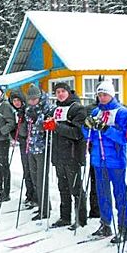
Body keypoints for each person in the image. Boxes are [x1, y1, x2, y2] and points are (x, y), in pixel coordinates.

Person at [84, 80, 127, 243]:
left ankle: (123, 227)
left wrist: (106, 129)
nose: (102, 98)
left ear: (112, 95)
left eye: (105, 95)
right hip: (98, 159)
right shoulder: (96, 111)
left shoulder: (122, 112)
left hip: (116, 161)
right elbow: (89, 135)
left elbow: (125, 137)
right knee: (102, 194)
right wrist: (87, 127)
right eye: (100, 95)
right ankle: (105, 224)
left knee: (119, 194)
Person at [48, 83, 88, 230]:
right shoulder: (56, 109)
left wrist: (57, 127)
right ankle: (65, 217)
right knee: (62, 187)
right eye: (57, 92)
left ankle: (81, 219)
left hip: (72, 155)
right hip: (59, 154)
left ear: (68, 92)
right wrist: (48, 125)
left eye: (63, 91)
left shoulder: (77, 108)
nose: (60, 94)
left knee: (76, 188)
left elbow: (78, 133)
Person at [25, 84, 53, 220]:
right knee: (34, 178)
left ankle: (45, 209)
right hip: (31, 147)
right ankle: (42, 205)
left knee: (42, 179)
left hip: (42, 148)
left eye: (34, 99)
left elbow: (47, 126)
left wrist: (38, 120)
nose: (32, 102)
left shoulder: (47, 108)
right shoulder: (29, 109)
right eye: (30, 100)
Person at [8, 89, 37, 208]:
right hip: (22, 142)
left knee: (31, 170)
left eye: (18, 100)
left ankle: (35, 196)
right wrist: (14, 133)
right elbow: (16, 128)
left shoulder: (27, 110)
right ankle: (29, 194)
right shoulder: (16, 112)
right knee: (26, 169)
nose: (16, 102)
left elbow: (27, 128)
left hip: (29, 143)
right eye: (14, 101)